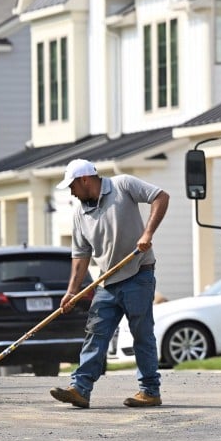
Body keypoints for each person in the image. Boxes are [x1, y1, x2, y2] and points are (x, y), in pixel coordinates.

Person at [48, 158, 169, 409]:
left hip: (138, 274)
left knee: (141, 334)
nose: (71, 192)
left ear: (84, 180)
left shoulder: (122, 185)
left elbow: (161, 197)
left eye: (72, 186)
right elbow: (81, 256)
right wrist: (72, 292)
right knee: (96, 333)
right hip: (107, 282)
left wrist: (147, 234)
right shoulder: (80, 213)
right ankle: (80, 389)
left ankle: (150, 391)